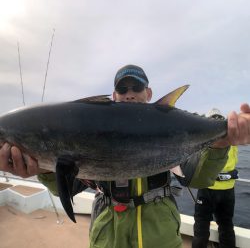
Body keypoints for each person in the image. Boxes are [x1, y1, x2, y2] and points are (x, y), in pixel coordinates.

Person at [1, 64, 250, 248]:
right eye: (122, 88)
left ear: (149, 93)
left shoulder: (173, 129)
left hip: (159, 235)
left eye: (137, 87)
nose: (129, 93)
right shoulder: (93, 127)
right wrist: (43, 170)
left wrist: (222, 141)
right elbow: (67, 187)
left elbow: (199, 178)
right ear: (114, 96)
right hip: (108, 235)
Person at [192, 109, 239, 248]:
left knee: (201, 228)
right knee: (226, 226)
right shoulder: (232, 139)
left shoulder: (204, 138)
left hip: (207, 188)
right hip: (228, 190)